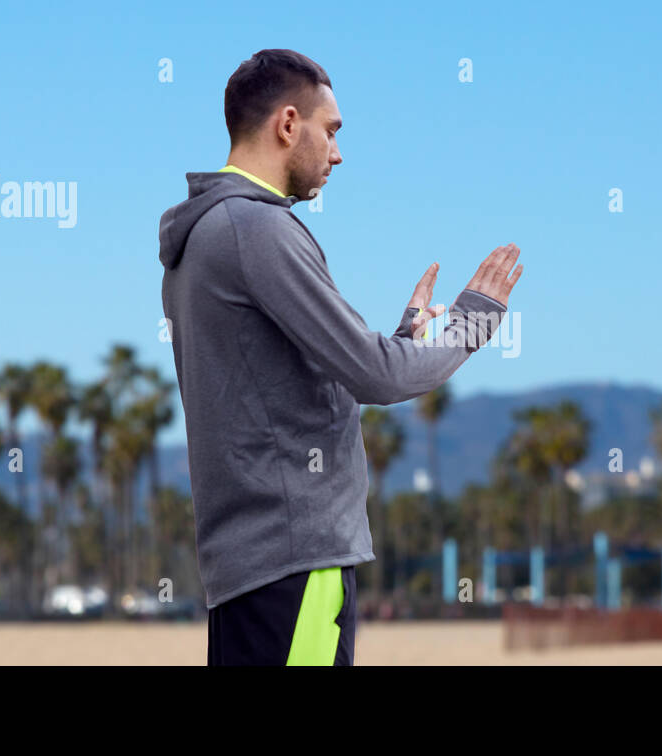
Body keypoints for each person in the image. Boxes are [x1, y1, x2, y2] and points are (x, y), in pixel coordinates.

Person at [158, 49, 523, 665]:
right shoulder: (256, 228)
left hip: (251, 570)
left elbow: (307, 383)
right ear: (288, 124)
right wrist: (473, 322)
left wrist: (407, 339)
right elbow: (374, 375)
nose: (337, 152)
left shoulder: (202, 239)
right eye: (331, 131)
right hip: (294, 559)